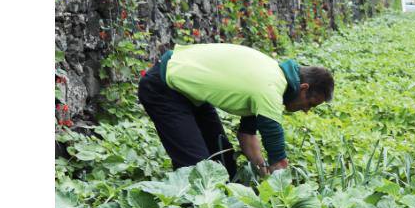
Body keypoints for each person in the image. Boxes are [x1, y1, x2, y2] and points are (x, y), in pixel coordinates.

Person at [137, 42, 334, 177]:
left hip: (190, 93)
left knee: (225, 165)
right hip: (164, 87)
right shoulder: (271, 88)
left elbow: (247, 135)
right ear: (304, 88)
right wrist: (286, 191)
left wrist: (262, 171)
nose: (307, 111)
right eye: (311, 104)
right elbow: (278, 158)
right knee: (198, 172)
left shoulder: (272, 76)